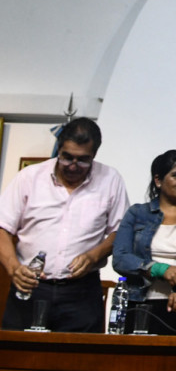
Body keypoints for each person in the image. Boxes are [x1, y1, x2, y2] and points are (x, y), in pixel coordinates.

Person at [0, 117, 130, 332]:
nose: (73, 166)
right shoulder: (30, 177)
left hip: (81, 292)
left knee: (80, 361)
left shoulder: (110, 179)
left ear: (94, 155)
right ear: (58, 149)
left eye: (82, 160)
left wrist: (93, 255)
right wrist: (14, 268)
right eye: (67, 157)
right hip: (30, 286)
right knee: (19, 359)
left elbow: (121, 231)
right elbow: (3, 227)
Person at [112, 150, 176, 335]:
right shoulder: (137, 214)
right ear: (158, 180)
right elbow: (120, 258)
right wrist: (159, 269)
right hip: (140, 302)